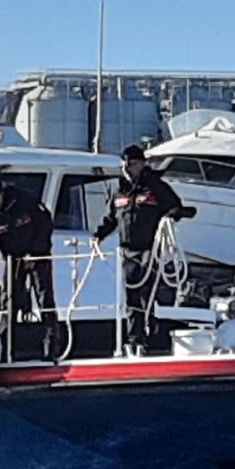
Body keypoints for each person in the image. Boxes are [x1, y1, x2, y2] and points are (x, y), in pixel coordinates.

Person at [92, 144, 185, 353]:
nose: (127, 167)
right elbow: (110, 218)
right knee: (131, 293)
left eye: (132, 163)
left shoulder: (156, 187)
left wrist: (169, 218)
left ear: (142, 164)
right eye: (124, 163)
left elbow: (177, 207)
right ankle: (135, 338)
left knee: (148, 292)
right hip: (127, 250)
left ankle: (153, 334)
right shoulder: (120, 191)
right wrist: (98, 235)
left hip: (149, 249)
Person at [0, 177, 57, 360]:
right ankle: (5, 349)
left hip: (37, 255)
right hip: (12, 258)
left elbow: (45, 224)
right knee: (9, 300)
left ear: (2, 194)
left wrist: (35, 253)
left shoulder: (24, 201)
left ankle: (51, 348)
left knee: (44, 299)